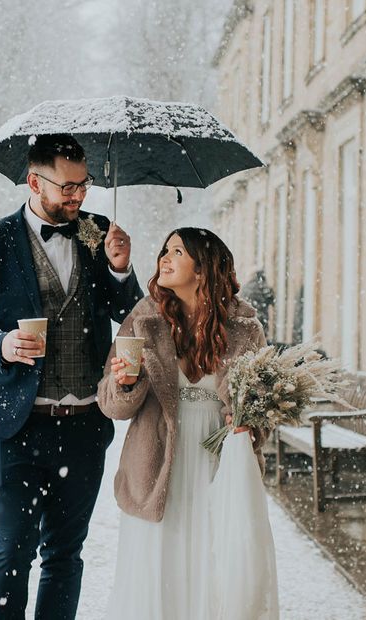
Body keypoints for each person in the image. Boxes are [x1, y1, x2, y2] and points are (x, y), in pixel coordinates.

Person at [0, 133, 142, 619]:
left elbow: (131, 314)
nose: (78, 196)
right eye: (68, 186)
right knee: (12, 551)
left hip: (84, 423)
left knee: (64, 555)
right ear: (34, 181)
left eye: (85, 185)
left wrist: (121, 270)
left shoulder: (97, 232)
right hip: (17, 425)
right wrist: (1, 344)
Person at [98, 228, 277, 620]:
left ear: (203, 269)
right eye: (164, 249)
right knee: (160, 567)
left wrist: (248, 424)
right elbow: (111, 404)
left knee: (216, 564)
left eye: (177, 251)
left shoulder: (246, 328)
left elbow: (264, 406)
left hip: (218, 462)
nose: (164, 257)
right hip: (156, 463)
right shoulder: (144, 319)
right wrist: (125, 383)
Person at [240, 269, 275, 337]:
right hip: (262, 318)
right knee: (261, 339)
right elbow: (272, 301)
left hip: (250, 318)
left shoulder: (246, 287)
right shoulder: (265, 287)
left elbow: (241, 302)